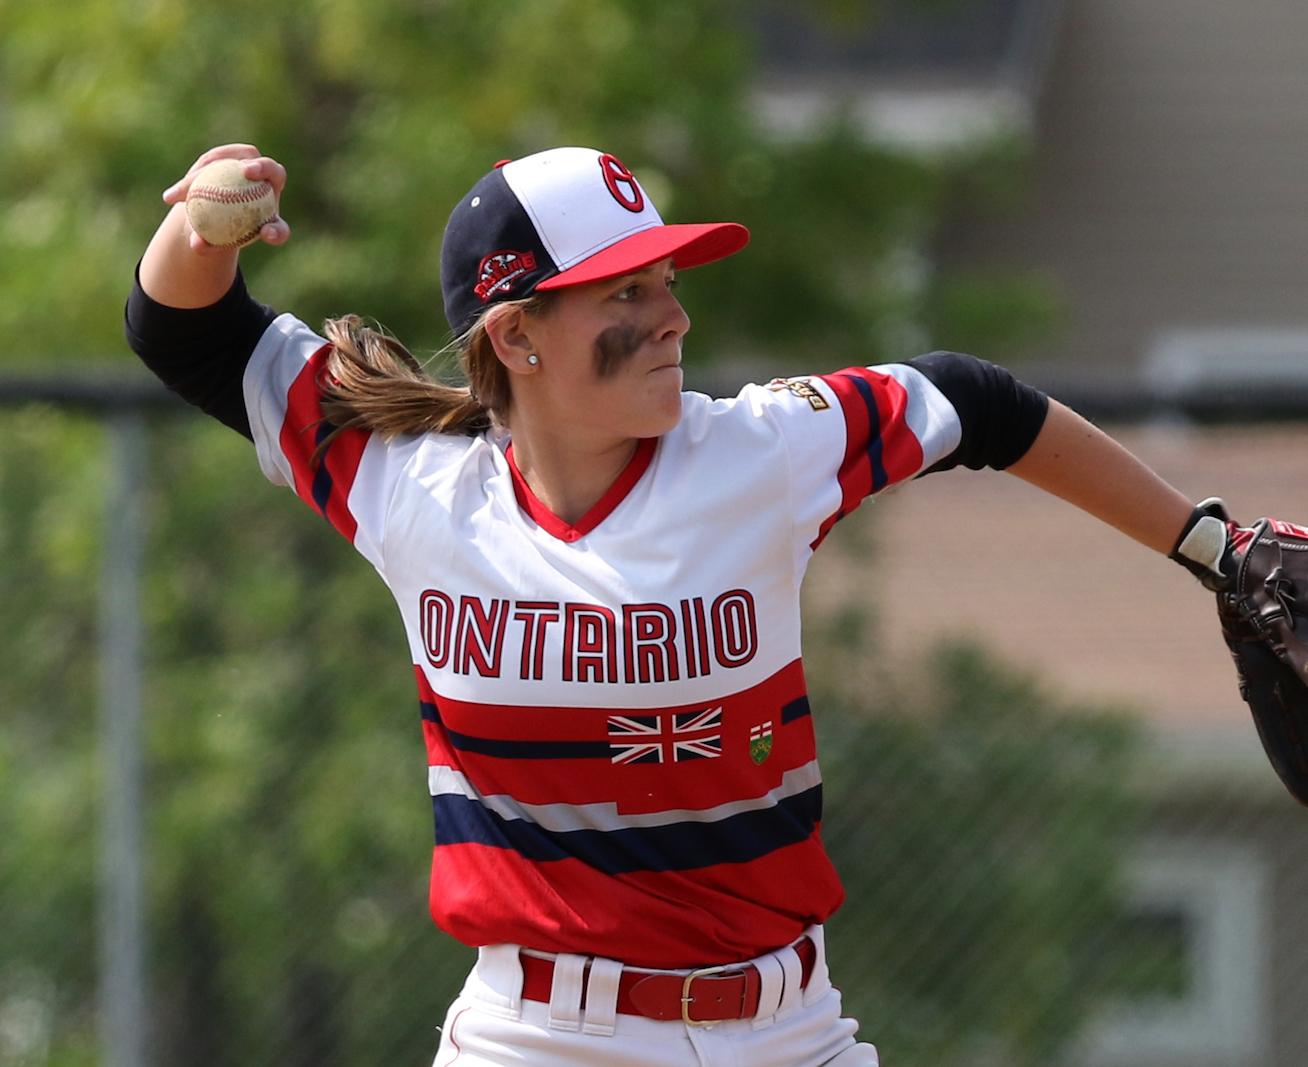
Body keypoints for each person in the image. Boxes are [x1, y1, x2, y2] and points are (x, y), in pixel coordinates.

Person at [126, 143, 1203, 1067]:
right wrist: (203, 225)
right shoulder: (414, 483)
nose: (673, 316)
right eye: (625, 292)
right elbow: (184, 330)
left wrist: (1213, 546)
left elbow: (976, 401)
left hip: (788, 1026)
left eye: (666, 281)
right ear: (516, 335)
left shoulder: (760, 452)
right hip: (539, 1032)